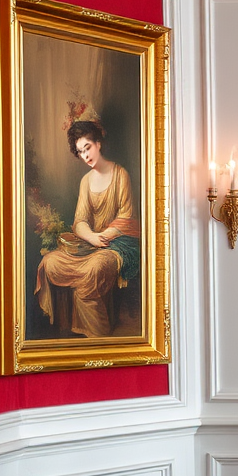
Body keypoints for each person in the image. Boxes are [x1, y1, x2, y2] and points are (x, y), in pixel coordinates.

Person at [36, 120, 141, 337]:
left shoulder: (120, 174)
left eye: (87, 148)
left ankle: (98, 337)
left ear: (98, 144)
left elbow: (127, 217)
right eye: (80, 151)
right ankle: (68, 330)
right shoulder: (85, 181)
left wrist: (105, 236)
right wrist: (92, 237)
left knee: (93, 271)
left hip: (117, 245)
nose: (85, 155)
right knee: (50, 262)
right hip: (91, 244)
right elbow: (80, 221)